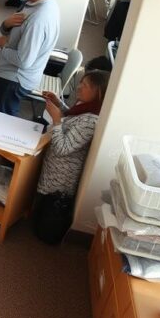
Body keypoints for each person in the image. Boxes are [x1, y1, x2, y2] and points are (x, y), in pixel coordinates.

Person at [33, 70, 110, 243]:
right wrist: (58, 103)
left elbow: (62, 148)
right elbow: (73, 118)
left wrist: (56, 120)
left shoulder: (92, 121)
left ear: (99, 93)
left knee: (42, 223)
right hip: (53, 170)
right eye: (81, 82)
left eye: (86, 85)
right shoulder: (86, 108)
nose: (80, 87)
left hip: (59, 178)